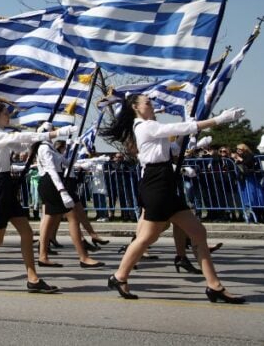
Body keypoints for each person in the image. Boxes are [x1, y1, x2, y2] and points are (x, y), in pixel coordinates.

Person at [102, 95, 246, 303]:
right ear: (135, 108)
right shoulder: (143, 127)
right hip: (155, 183)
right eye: (147, 103)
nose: (151, 105)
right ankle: (119, 276)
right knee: (147, 237)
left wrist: (189, 124)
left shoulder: (153, 126)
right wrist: (218, 120)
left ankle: (214, 286)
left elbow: (175, 148)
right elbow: (176, 129)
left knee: (198, 232)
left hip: (165, 182)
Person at [0, 103, 73, 294]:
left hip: (6, 185)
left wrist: (39, 133)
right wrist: (53, 134)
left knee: (26, 233)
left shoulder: (1, 136)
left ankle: (33, 279)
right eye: (5, 114)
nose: (8, 117)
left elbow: (21, 143)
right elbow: (18, 138)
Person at [35, 141, 103, 268]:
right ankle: (83, 257)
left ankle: (43, 256)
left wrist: (76, 149)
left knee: (49, 219)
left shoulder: (50, 148)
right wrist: (62, 190)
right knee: (73, 218)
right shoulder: (44, 147)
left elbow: (68, 164)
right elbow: (51, 170)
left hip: (54, 182)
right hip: (52, 183)